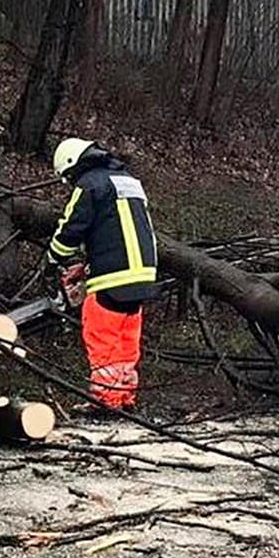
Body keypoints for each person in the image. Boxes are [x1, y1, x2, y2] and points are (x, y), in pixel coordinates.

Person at [47, 137, 159, 410]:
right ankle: (125, 398)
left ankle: (105, 402)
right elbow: (119, 233)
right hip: (143, 274)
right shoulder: (129, 182)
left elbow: (71, 227)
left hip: (112, 279)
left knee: (102, 341)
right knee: (126, 346)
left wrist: (53, 258)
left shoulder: (89, 185)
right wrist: (86, 266)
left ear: (73, 166)